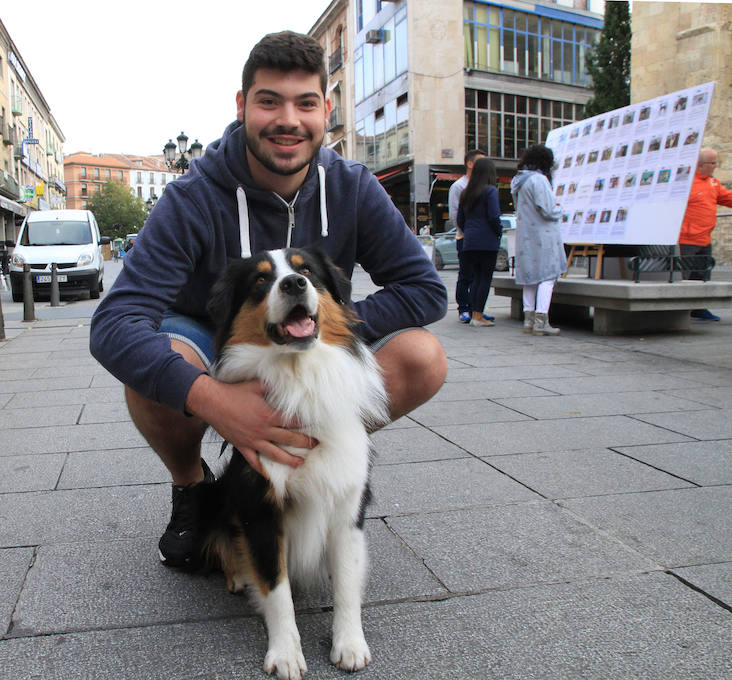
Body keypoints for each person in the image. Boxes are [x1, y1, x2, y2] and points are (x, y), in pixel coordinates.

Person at [89, 31, 449, 570]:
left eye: (305, 103)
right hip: (215, 343)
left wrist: (332, 327)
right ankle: (193, 487)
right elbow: (114, 323)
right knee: (153, 367)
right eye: (269, 101)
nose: (289, 120)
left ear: (325, 110)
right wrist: (214, 399)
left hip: (307, 341)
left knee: (424, 357)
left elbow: (425, 290)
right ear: (242, 106)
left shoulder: (352, 187)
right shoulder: (192, 196)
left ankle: (307, 461)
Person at [510, 144, 566, 336]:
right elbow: (548, 210)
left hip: (526, 235)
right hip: (543, 235)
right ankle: (541, 322)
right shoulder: (539, 180)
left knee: (530, 279)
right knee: (547, 277)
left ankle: (529, 320)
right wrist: (560, 208)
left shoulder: (518, 181)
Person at [679, 147, 732, 321]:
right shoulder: (685, 182)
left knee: (702, 275)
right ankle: (678, 310)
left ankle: (698, 308)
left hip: (704, 238)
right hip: (686, 239)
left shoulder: (713, 183)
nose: (716, 166)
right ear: (701, 165)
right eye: (713, 162)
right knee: (683, 276)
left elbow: (728, 198)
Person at [456, 157, 501, 327]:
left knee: (475, 278)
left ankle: (475, 313)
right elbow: (494, 216)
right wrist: (497, 233)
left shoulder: (466, 192)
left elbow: (460, 219)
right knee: (485, 278)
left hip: (470, 241)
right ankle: (478, 315)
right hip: (487, 241)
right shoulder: (490, 191)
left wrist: (469, 231)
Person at [448, 149, 492, 323]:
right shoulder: (458, 186)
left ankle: (477, 310)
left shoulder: (485, 187)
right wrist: (469, 232)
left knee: (480, 276)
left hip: (480, 239)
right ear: (470, 163)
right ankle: (464, 309)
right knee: (466, 275)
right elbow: (455, 216)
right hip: (465, 238)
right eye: (481, 161)